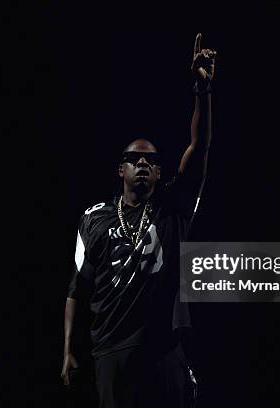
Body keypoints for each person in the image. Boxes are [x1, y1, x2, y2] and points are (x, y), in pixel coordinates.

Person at [61, 33, 216, 408]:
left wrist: (203, 92)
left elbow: (200, 149)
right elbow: (76, 290)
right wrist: (66, 350)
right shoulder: (93, 217)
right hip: (110, 350)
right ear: (120, 169)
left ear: (160, 174)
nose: (143, 162)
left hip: (163, 348)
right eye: (134, 158)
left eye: (150, 160)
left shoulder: (172, 210)